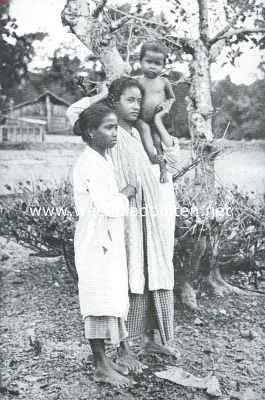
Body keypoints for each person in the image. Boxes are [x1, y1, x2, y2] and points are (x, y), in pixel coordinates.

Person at [67, 77, 181, 374]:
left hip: (150, 219)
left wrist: (157, 122)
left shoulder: (136, 132)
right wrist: (102, 94)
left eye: (138, 100)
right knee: (125, 282)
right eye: (129, 100)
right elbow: (74, 116)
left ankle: (149, 339)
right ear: (113, 102)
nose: (136, 106)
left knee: (151, 274)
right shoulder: (106, 138)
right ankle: (120, 350)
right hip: (123, 222)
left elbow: (172, 159)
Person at [73, 102, 137, 387]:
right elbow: (109, 205)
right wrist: (127, 192)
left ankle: (110, 358)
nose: (115, 133)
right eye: (109, 128)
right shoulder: (90, 163)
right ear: (90, 132)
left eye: (116, 127)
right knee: (97, 298)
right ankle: (100, 364)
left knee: (110, 295)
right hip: (95, 241)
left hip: (105, 239)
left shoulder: (102, 158)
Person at [136, 40, 176, 184]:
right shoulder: (138, 82)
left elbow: (172, 98)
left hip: (156, 119)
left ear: (163, 66)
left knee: (158, 142)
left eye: (158, 63)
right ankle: (151, 156)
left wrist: (166, 107)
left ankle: (163, 170)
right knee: (144, 132)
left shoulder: (164, 82)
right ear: (140, 61)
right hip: (141, 118)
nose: (152, 66)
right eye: (148, 61)